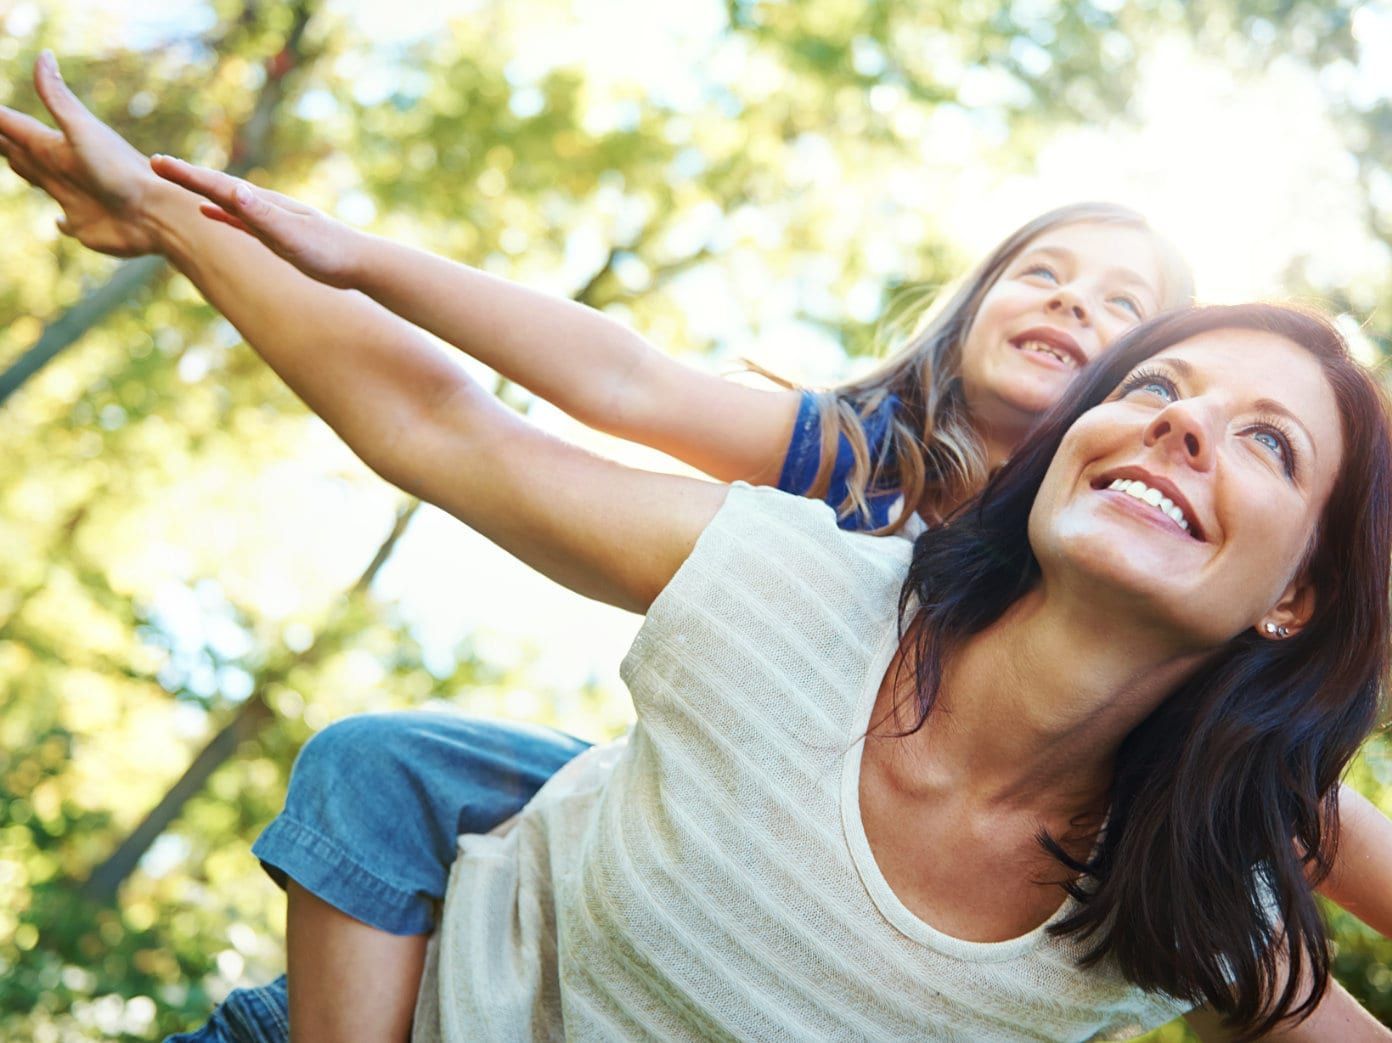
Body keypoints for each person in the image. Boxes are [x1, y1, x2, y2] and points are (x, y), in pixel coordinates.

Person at [2, 52, 1391, 1039]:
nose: (1176, 424)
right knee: (390, 769)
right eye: (1153, 386)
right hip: (599, 855)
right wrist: (286, 241)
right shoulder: (851, 486)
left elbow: (1311, 826)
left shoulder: (1211, 847)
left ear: (1292, 597)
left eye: (1265, 440)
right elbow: (578, 395)